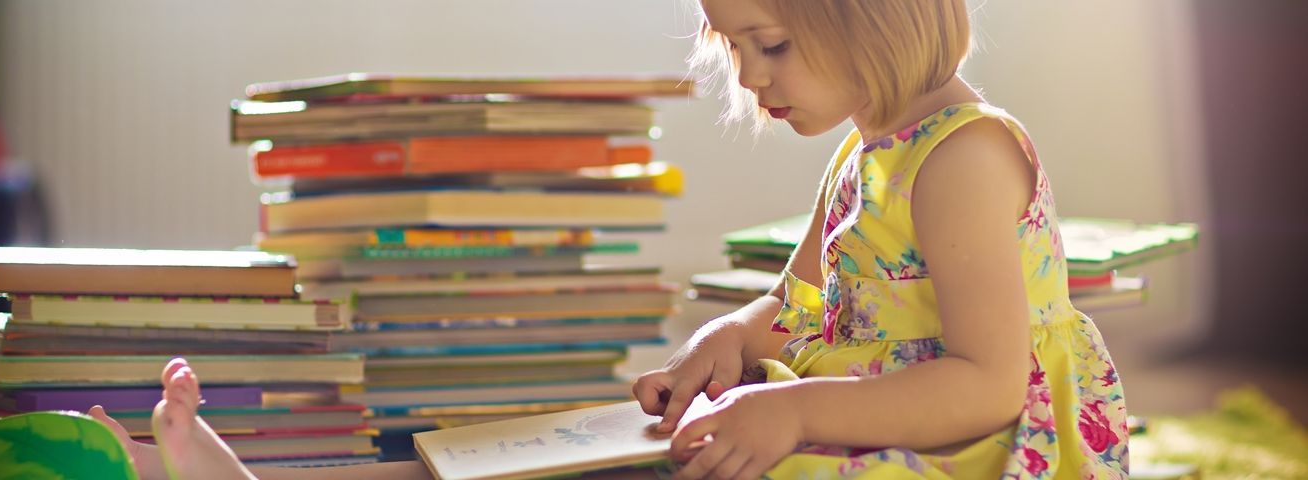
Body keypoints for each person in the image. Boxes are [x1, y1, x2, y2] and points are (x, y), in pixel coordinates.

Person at [93, 0, 1128, 478]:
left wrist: (794, 407)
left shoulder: (964, 157)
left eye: (769, 44)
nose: (752, 79)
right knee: (528, 460)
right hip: (860, 412)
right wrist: (732, 338)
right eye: (733, 49)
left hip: (972, 452)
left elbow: (989, 382)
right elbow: (806, 308)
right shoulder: (867, 155)